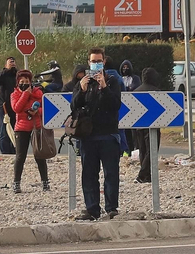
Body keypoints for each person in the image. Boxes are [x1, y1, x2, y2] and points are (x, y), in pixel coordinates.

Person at [72, 48, 122, 220]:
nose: (96, 64)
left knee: (111, 173)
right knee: (89, 174)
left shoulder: (112, 81)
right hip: (88, 136)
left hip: (108, 135)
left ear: (104, 62)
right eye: (93, 61)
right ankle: (92, 208)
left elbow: (115, 105)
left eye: (99, 61)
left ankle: (111, 208)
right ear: (88, 62)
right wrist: (82, 90)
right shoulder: (83, 82)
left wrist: (104, 87)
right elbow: (74, 106)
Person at [9, 69, 50, 193]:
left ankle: (45, 182)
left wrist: (37, 111)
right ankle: (16, 182)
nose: (24, 84)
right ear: (17, 83)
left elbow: (46, 108)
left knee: (40, 155)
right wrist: (25, 94)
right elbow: (16, 108)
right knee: (20, 156)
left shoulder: (39, 93)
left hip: (36, 126)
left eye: (27, 81)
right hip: (21, 128)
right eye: (22, 81)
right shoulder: (14, 94)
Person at [132, 67, 169, 185]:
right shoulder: (156, 92)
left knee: (143, 150)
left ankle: (146, 175)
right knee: (152, 150)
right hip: (152, 126)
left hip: (138, 125)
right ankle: (142, 175)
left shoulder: (136, 91)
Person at [0, 56, 18, 157]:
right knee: (5, 129)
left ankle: (14, 150)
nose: (12, 64)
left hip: (16, 106)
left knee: (15, 129)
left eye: (13, 62)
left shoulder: (17, 75)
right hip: (4, 106)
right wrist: (6, 70)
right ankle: (5, 152)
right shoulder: (2, 75)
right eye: (10, 62)